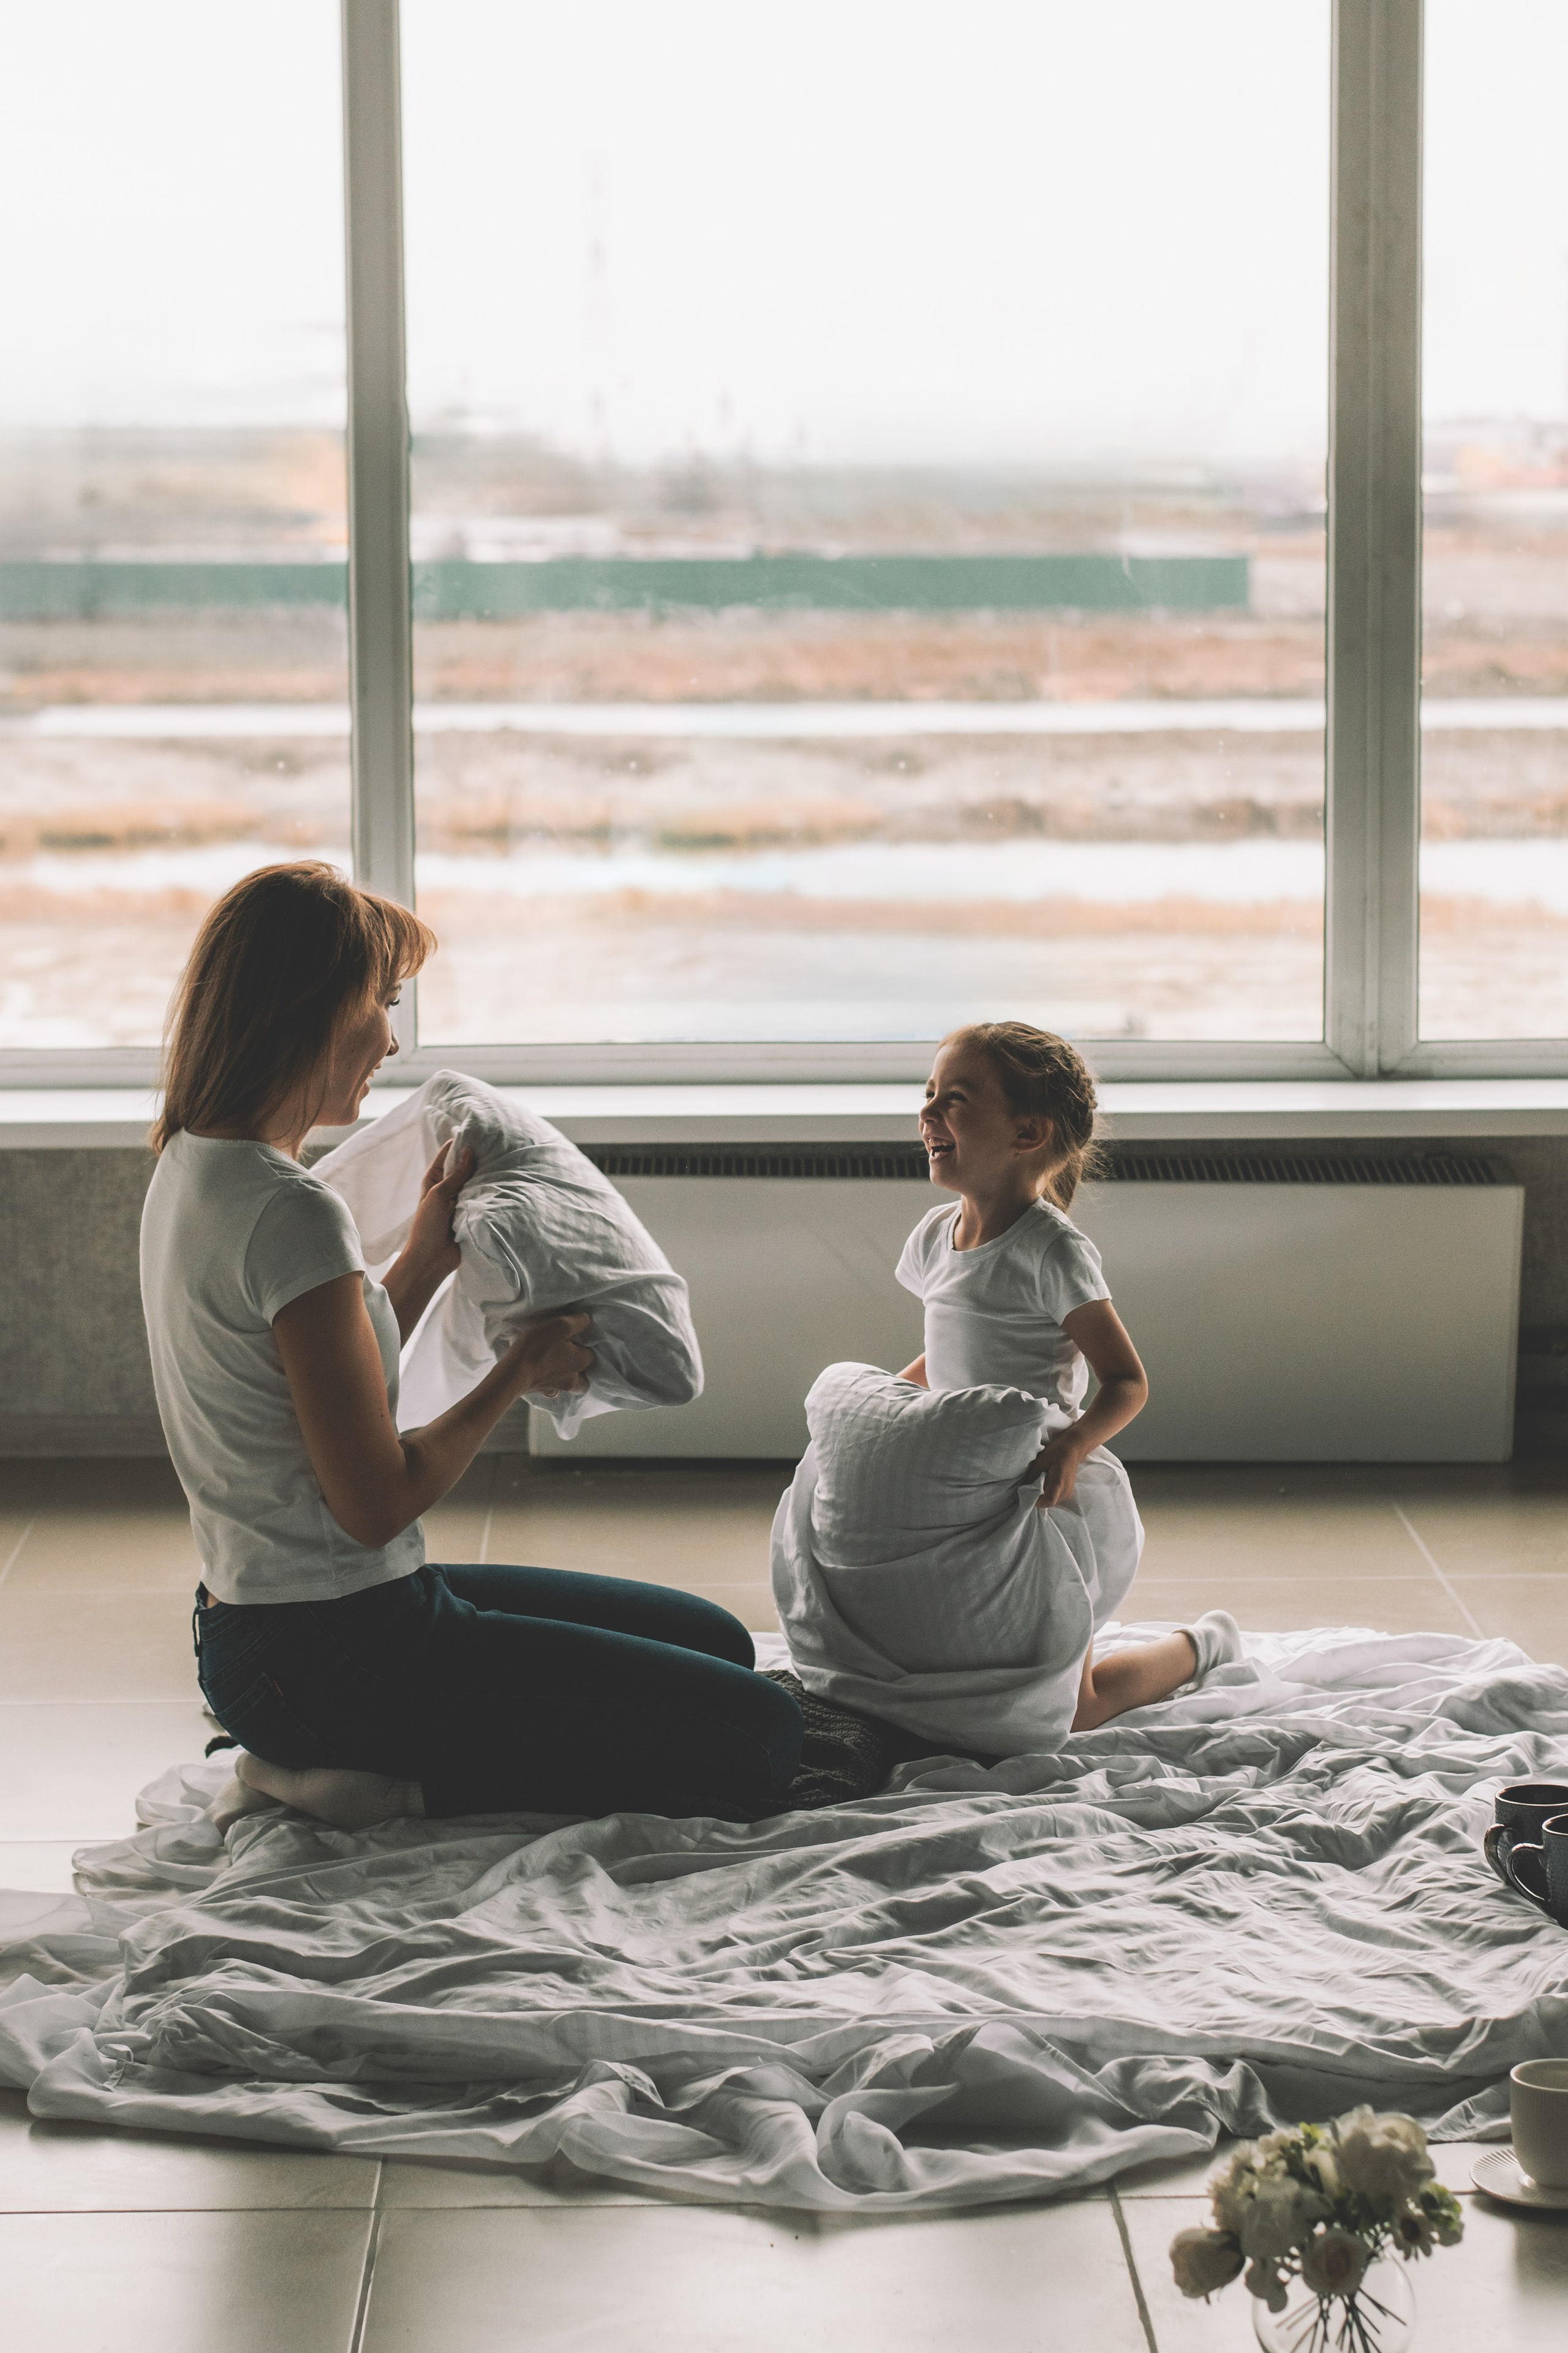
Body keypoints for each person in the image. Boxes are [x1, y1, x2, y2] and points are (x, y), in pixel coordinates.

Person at [141, 861, 802, 1831]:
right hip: (333, 1655)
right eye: (383, 1001)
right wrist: (517, 1372)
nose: (393, 1037)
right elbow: (377, 1502)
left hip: (275, 1632)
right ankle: (370, 1784)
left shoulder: (199, 1170)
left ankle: (341, 1747)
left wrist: (423, 1255)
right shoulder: (289, 1215)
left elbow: (324, 1376)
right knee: (759, 1742)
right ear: (315, 1009)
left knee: (714, 1641)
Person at [897, 1021, 1242, 1731]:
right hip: (963, 1487)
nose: (927, 1113)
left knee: (1070, 1709)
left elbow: (1126, 1380)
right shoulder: (934, 1235)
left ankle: (1199, 1645)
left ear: (1027, 1134)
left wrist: (1074, 1446)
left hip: (1044, 1497)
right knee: (961, 1665)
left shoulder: (1051, 1249)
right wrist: (885, 1408)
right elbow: (947, 1351)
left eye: (954, 1099)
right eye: (928, 1093)